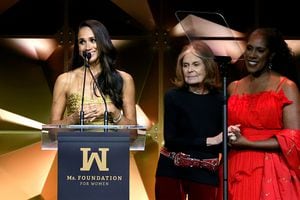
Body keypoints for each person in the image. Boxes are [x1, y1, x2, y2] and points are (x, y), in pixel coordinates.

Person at [219, 28, 300, 200]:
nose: (252, 55)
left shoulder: (286, 87)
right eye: (249, 48)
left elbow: (293, 138)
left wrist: (247, 142)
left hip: (269, 168)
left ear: (270, 55)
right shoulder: (233, 87)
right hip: (234, 165)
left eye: (260, 50)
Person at [155, 40, 224, 200]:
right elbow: (171, 140)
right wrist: (208, 141)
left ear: (208, 66)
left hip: (205, 172)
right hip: (172, 170)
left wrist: (228, 136)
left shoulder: (221, 100)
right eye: (185, 65)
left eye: (195, 64)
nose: (190, 70)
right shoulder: (173, 96)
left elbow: (220, 143)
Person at [50, 19, 137, 128]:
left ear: (102, 42)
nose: (87, 47)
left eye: (93, 40)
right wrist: (73, 118)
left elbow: (133, 133)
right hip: (76, 144)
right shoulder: (64, 80)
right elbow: (52, 132)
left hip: (111, 144)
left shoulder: (124, 79)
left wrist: (113, 110)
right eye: (82, 42)